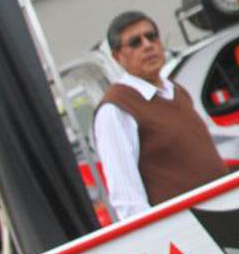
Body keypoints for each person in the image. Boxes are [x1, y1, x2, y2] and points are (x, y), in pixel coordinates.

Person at [94, 12, 227, 220]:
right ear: (118, 57)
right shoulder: (116, 108)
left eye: (151, 36)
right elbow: (127, 198)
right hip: (185, 228)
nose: (147, 45)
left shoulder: (176, 91)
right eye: (135, 42)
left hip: (225, 210)